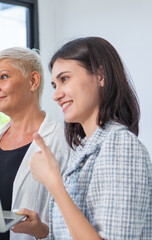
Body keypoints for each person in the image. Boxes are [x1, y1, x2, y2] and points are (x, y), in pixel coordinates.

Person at [29, 37, 152, 239]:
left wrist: (54, 183)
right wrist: (42, 230)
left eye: (65, 79)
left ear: (100, 76)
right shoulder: (85, 149)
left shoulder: (121, 145)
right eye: (54, 85)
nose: (56, 95)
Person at [0, 47, 71, 240]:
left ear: (33, 81)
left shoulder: (63, 141)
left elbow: (74, 220)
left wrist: (43, 231)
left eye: (3, 77)